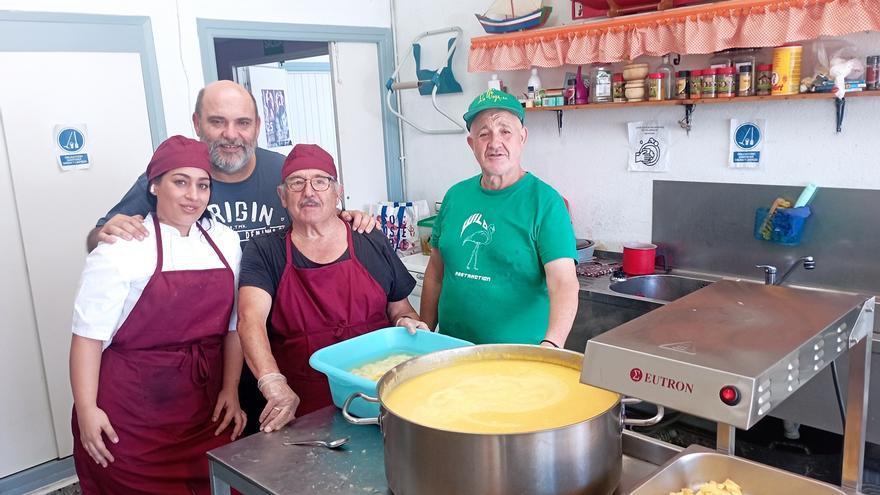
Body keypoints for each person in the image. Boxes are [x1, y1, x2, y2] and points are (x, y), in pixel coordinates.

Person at [86, 80, 375, 434]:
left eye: (242, 122)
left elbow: (320, 212)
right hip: (203, 352)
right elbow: (99, 237)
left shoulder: (282, 172)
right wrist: (107, 232)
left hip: (273, 347)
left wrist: (353, 218)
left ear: (257, 126)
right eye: (217, 122)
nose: (231, 134)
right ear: (197, 123)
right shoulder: (175, 172)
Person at [70, 136, 246, 494]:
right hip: (133, 411)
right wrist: (87, 409)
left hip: (202, 403)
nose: (192, 196)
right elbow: (87, 338)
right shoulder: (121, 247)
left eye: (202, 185)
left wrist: (230, 388)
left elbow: (234, 327)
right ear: (154, 186)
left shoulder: (226, 241)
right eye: (179, 182)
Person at [237, 143, 427, 433]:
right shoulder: (265, 251)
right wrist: (273, 383)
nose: (309, 191)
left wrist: (408, 323)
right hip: (302, 408)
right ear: (282, 195)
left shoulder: (369, 239)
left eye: (320, 181)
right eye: (297, 182)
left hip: (376, 399)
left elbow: (399, 307)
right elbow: (250, 321)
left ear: (337, 192)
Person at [420, 88, 580, 348]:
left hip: (518, 359)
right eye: (484, 134)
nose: (495, 142)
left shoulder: (545, 202)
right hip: (450, 351)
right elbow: (436, 273)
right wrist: (425, 332)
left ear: (522, 138)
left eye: (505, 131)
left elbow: (563, 283)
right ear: (472, 144)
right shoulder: (454, 196)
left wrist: (552, 345)